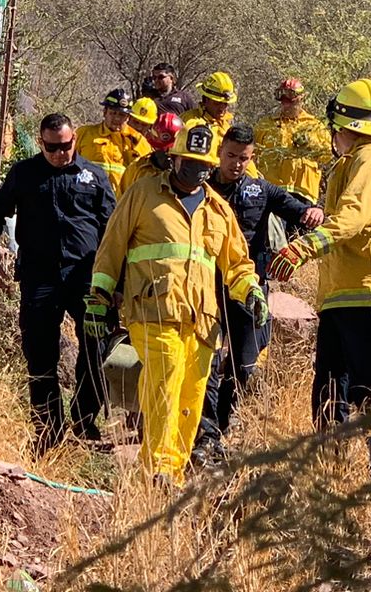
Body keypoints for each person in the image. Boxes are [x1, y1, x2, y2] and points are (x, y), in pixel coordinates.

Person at [85, 123, 268, 484]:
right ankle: (157, 470)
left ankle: (176, 474)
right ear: (174, 157)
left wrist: (250, 290)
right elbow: (112, 248)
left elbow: (237, 263)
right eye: (189, 162)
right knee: (163, 383)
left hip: (201, 320)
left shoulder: (217, 210)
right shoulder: (143, 194)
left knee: (192, 396)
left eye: (203, 164)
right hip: (153, 311)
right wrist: (99, 297)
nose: (196, 170)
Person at [267, 79, 371, 426]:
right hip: (342, 298)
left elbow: (352, 217)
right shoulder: (350, 163)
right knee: (331, 399)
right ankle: (330, 470)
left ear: (342, 125)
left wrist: (304, 246)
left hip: (369, 297)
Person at [0, 113, 114, 452]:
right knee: (40, 355)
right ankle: (48, 430)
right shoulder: (25, 174)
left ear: (75, 141)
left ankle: (84, 422)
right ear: (42, 143)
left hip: (87, 279)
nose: (59, 154)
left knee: (98, 349)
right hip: (40, 277)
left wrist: (117, 282)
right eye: (51, 148)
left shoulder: (94, 177)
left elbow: (114, 231)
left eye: (65, 146)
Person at [193, 123, 323, 463]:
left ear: (253, 158)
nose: (236, 163)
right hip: (206, 283)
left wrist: (314, 211)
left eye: (244, 158)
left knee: (244, 362)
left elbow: (298, 209)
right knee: (204, 357)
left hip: (248, 287)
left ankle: (221, 424)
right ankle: (204, 432)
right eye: (232, 155)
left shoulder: (260, 190)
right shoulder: (200, 185)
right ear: (220, 151)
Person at [254, 77, 330, 201]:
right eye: (283, 101)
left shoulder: (314, 126)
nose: (286, 105)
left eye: (291, 101)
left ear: (301, 99)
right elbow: (252, 153)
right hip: (273, 191)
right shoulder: (266, 125)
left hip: (304, 192)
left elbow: (327, 155)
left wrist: (310, 145)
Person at [182, 71, 260, 177]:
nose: (222, 108)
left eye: (225, 104)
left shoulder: (226, 126)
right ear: (205, 100)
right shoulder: (190, 122)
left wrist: (254, 179)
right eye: (217, 103)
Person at [74, 88, 152, 193]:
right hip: (87, 199)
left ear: (128, 117)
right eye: (113, 113)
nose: (117, 118)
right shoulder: (84, 134)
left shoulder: (138, 141)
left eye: (121, 115)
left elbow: (149, 174)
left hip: (120, 204)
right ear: (104, 112)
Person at [119, 109, 182, 195]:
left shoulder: (185, 174)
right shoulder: (138, 167)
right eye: (162, 150)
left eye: (171, 152)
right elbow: (121, 199)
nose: (167, 155)